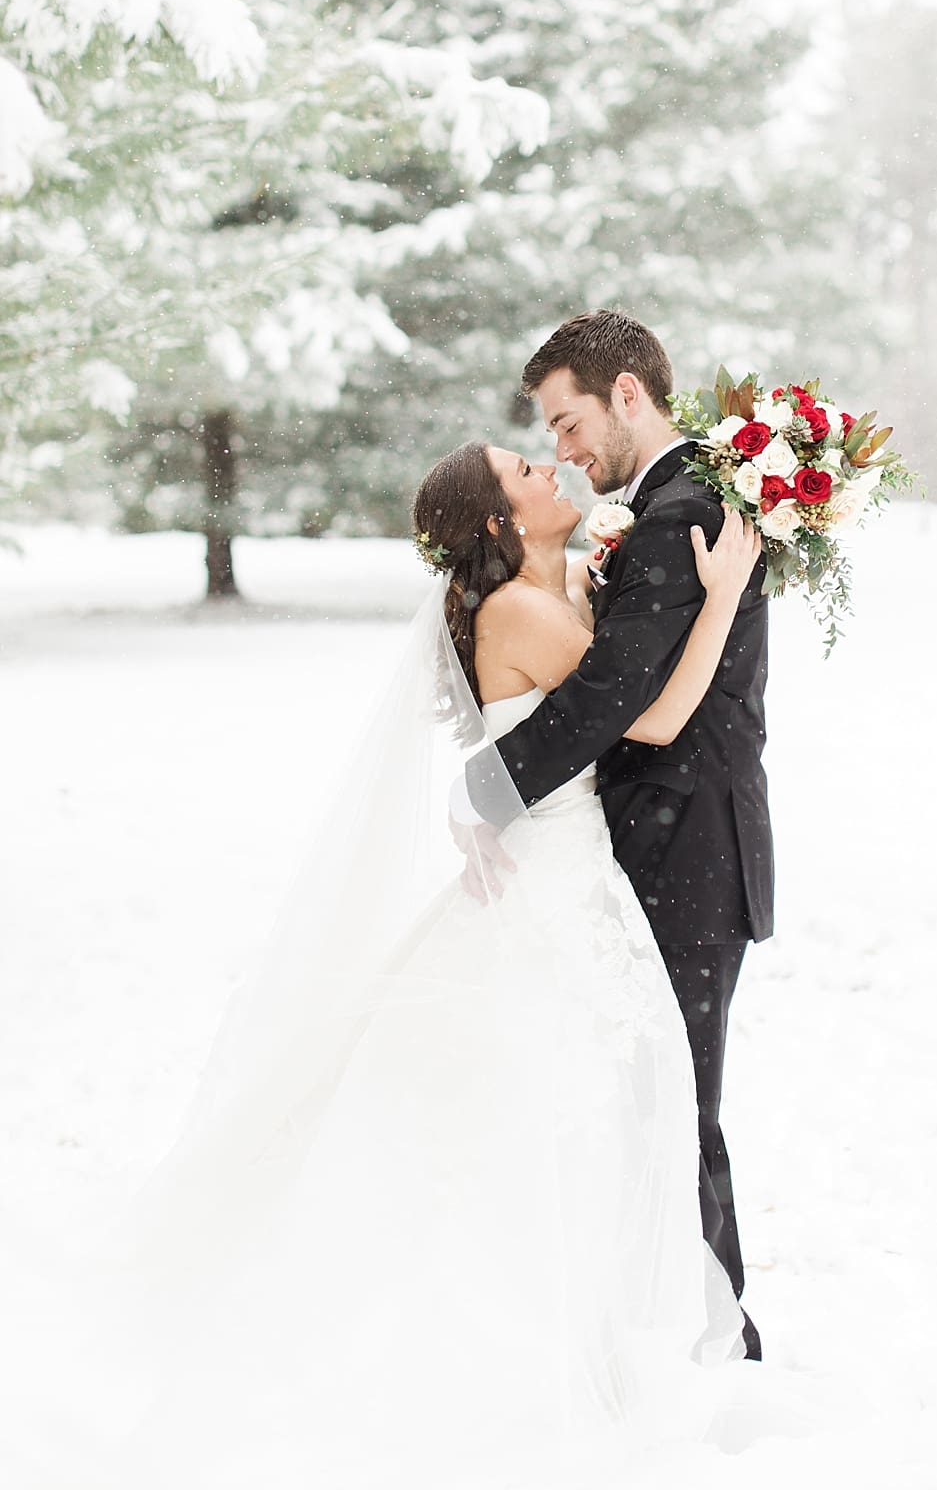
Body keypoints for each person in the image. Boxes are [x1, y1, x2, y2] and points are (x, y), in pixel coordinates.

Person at [6, 435, 787, 1490]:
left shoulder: (548, 591)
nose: (547, 470)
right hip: (550, 895)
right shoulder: (521, 610)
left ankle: (587, 1342)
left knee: (578, 1114)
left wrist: (486, 784)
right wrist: (729, 592)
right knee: (540, 1116)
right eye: (523, 469)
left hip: (562, 875)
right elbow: (647, 714)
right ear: (500, 525)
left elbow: (546, 724)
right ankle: (515, 1354)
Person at [462, 309, 773, 1361]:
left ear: (626, 395)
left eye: (566, 420)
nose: (563, 447)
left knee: (679, 1105)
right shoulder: (667, 507)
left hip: (689, 852)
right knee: (650, 1102)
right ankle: (679, 1329)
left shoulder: (682, 512)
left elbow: (611, 703)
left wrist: (485, 787)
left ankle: (718, 1339)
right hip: (645, 851)